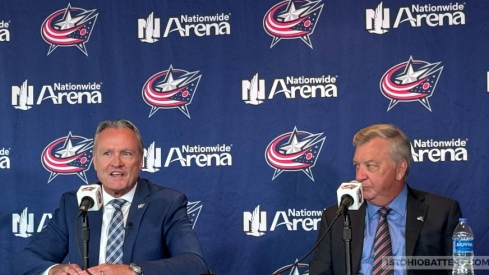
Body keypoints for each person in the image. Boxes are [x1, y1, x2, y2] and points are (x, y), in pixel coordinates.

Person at [14, 119, 207, 275]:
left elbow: (193, 262)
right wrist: (54, 270)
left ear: (141, 161)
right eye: (107, 153)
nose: (116, 162)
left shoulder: (167, 203)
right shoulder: (75, 203)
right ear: (95, 162)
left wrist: (133, 270)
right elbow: (27, 260)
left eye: (126, 153)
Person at [309, 124, 462, 275]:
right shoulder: (336, 217)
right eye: (357, 166)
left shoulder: (442, 213)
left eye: (370, 166)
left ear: (400, 169)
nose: (359, 176)